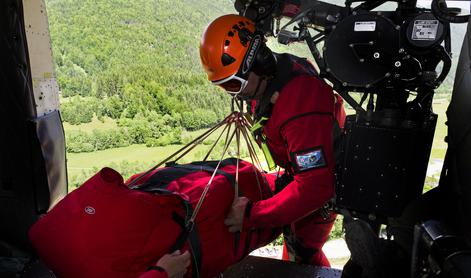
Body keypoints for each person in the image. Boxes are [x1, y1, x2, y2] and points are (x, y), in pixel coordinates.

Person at [199, 14, 346, 266]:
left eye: (234, 84)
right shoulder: (270, 79)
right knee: (295, 247)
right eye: (224, 86)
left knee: (303, 252)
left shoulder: (300, 101)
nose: (235, 93)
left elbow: (316, 187)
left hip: (325, 184)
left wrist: (251, 215)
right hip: (300, 171)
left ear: (258, 61)